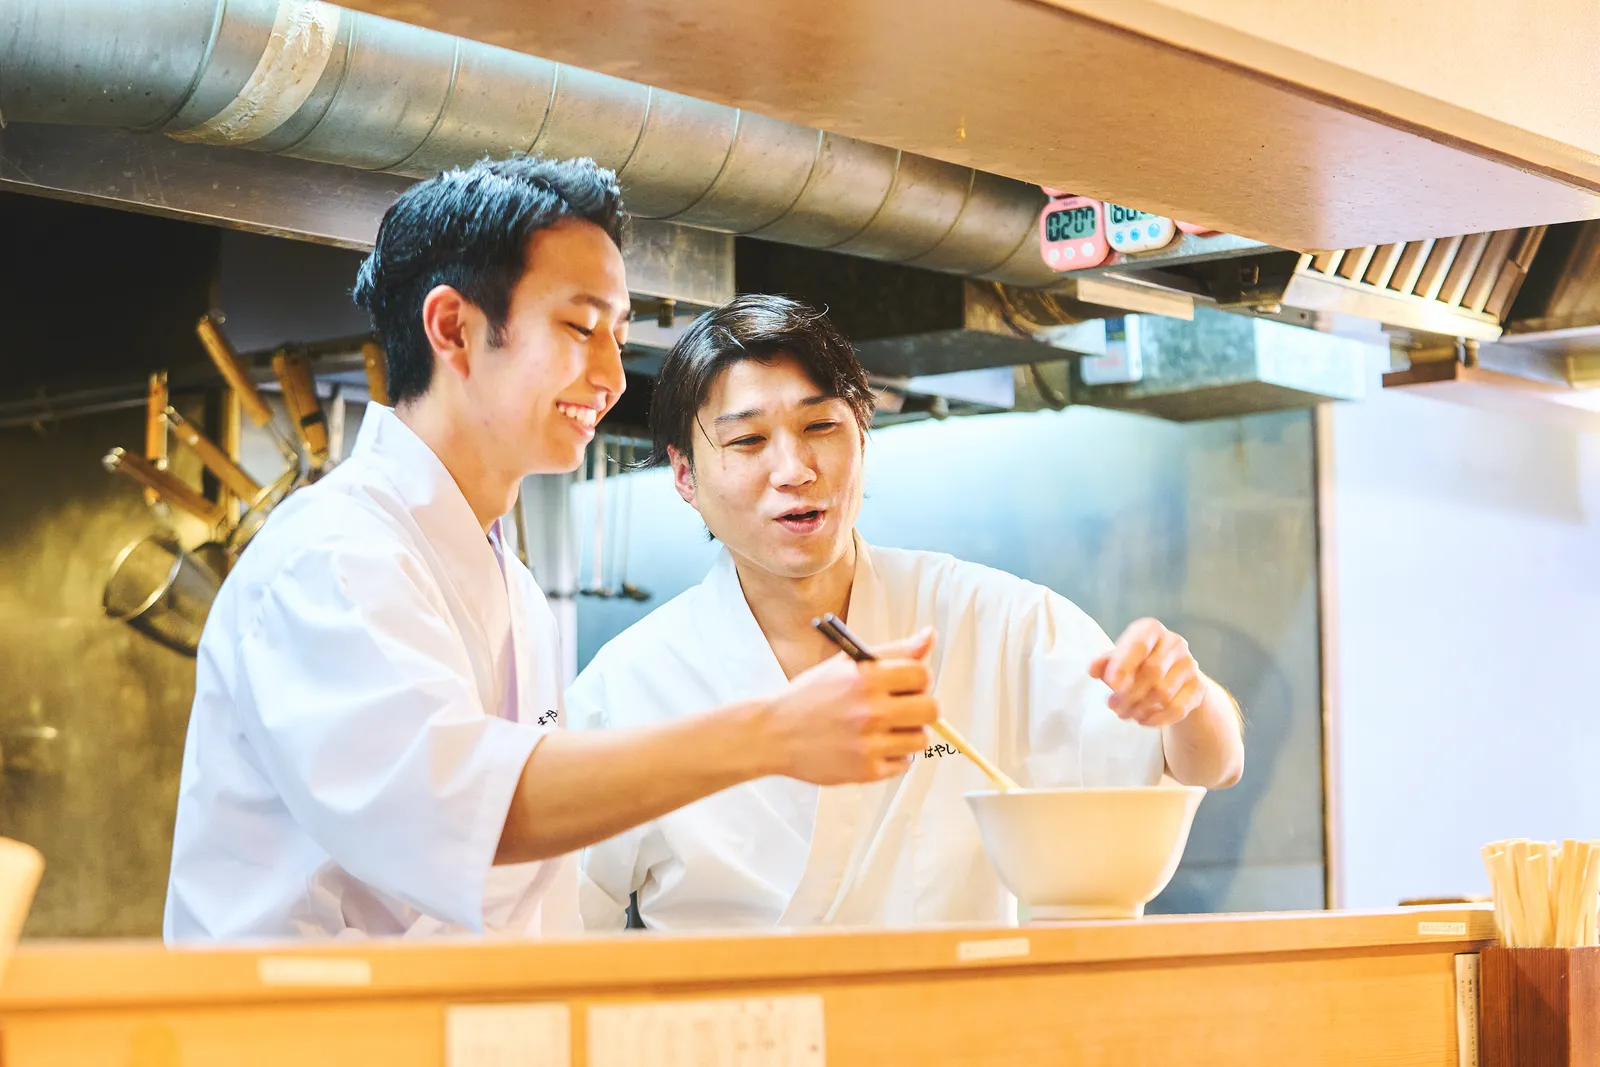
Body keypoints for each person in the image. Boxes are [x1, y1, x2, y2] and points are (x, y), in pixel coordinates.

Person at [163, 159, 940, 941]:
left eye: (619, 332)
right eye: (579, 326)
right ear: (453, 328)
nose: (609, 374)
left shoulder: (512, 585)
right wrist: (771, 732)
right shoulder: (331, 554)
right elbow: (465, 808)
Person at [571, 294, 1245, 931]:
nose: (796, 468)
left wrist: (1187, 697)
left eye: (821, 425)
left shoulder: (991, 620)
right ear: (685, 475)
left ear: (863, 434)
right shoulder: (629, 682)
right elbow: (554, 922)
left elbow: (1202, 763)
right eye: (747, 441)